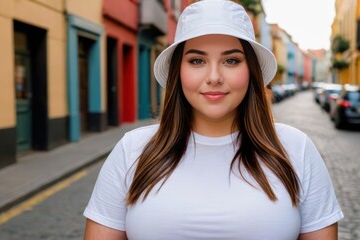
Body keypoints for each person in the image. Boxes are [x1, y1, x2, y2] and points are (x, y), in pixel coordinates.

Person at [83, 0, 344, 239]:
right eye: (197, 60)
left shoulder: (296, 149)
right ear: (178, 73)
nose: (214, 76)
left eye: (231, 60)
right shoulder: (133, 150)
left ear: (251, 72)